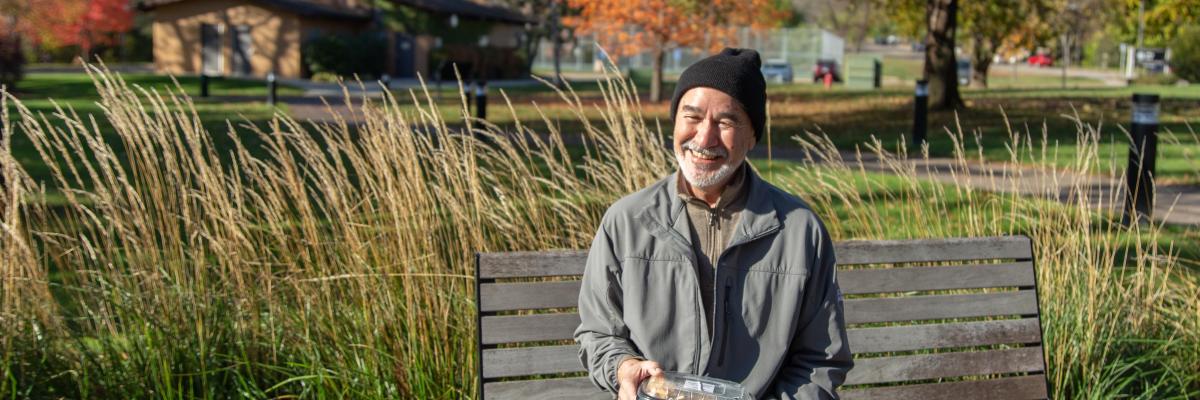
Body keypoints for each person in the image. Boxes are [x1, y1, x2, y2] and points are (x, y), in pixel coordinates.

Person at [574, 48, 853, 400]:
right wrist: (622, 367)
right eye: (691, 117)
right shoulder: (627, 221)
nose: (704, 138)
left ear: (752, 136)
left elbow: (820, 360)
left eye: (726, 122)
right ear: (674, 122)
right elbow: (599, 333)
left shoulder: (799, 231)